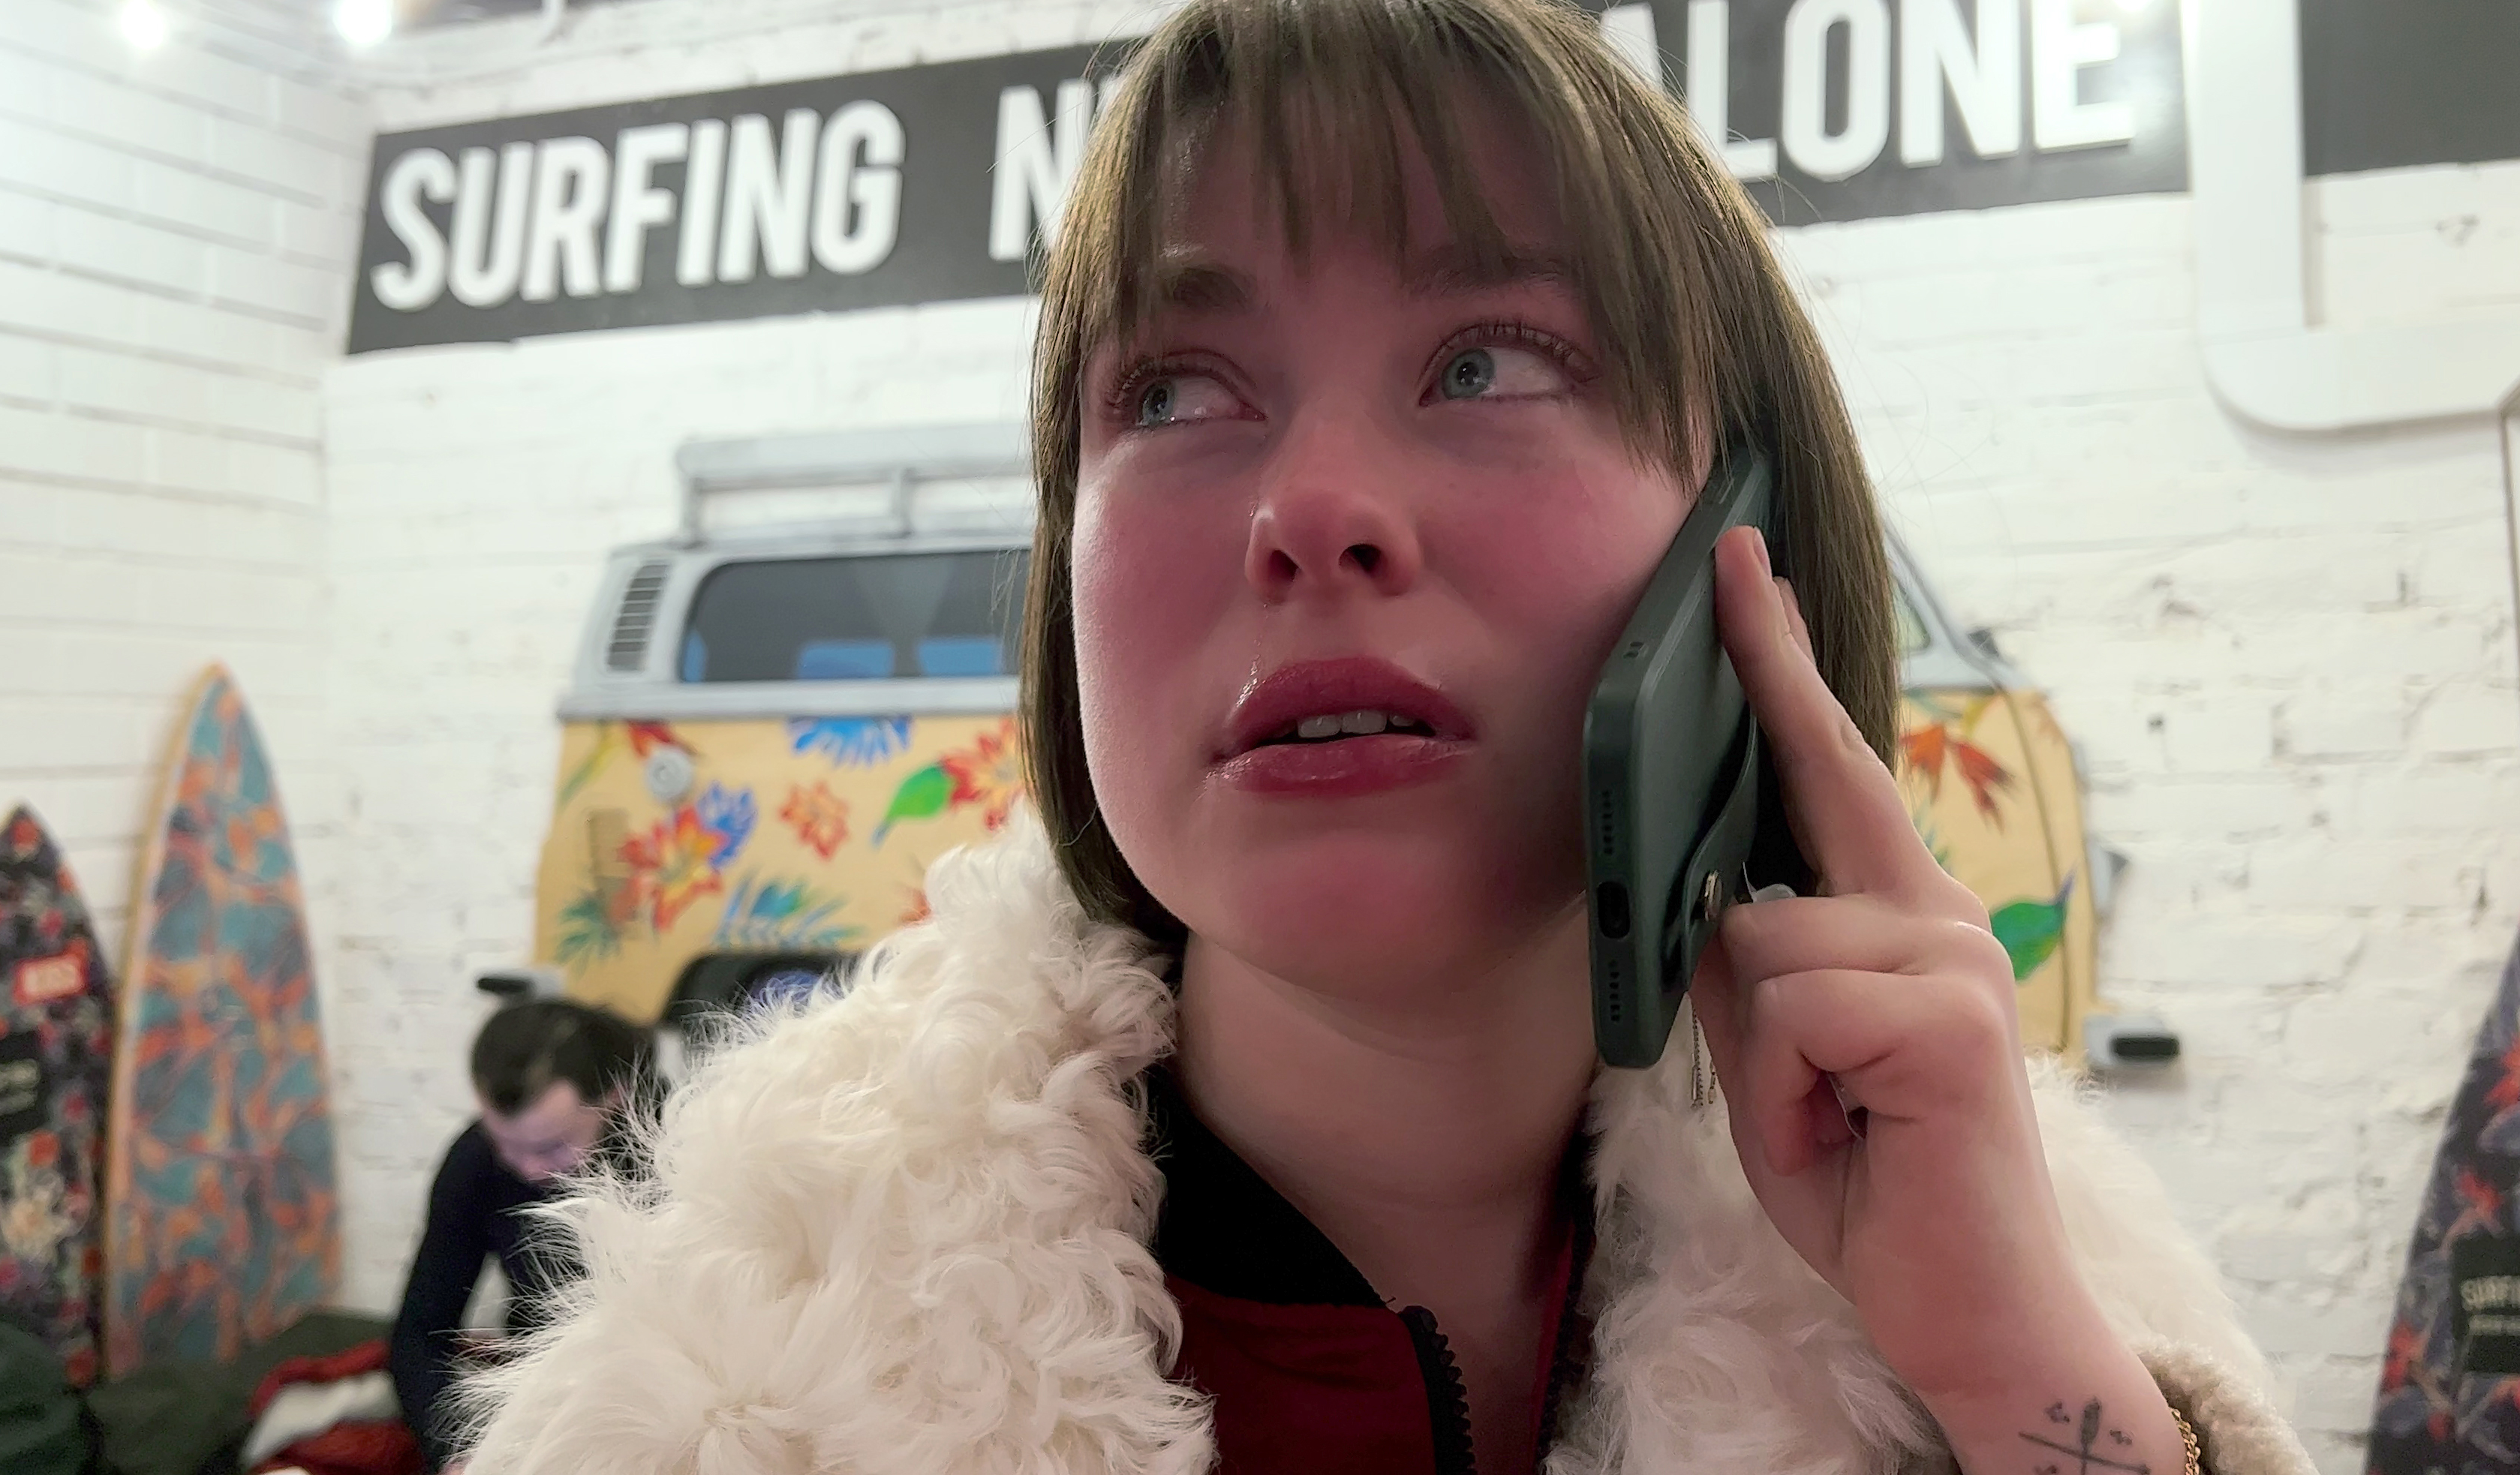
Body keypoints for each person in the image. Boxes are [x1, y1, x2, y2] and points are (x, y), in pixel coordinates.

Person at [451, 3, 2313, 1470]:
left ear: (1743, 539)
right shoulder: (723, 1395)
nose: (1312, 509)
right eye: (1174, 390)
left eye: (1485, 359)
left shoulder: (2027, 1291)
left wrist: (2011, 1376)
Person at [389, 1000, 649, 1473]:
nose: (527, 1169)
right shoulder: (477, 1161)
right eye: (504, 1143)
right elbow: (420, 1333)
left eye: (552, 1147)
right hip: (537, 1392)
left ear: (616, 1096)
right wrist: (458, 1451)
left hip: (658, 1397)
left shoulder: (677, 1152)